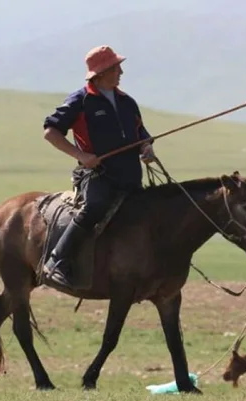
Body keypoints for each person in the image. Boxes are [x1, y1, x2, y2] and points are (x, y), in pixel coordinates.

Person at [40, 45, 156, 290]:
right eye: (116, 68)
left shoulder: (127, 102)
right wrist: (81, 155)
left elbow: (140, 134)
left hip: (130, 175)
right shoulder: (80, 100)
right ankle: (57, 261)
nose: (121, 72)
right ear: (101, 73)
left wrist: (146, 148)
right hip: (96, 174)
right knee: (94, 207)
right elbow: (51, 132)